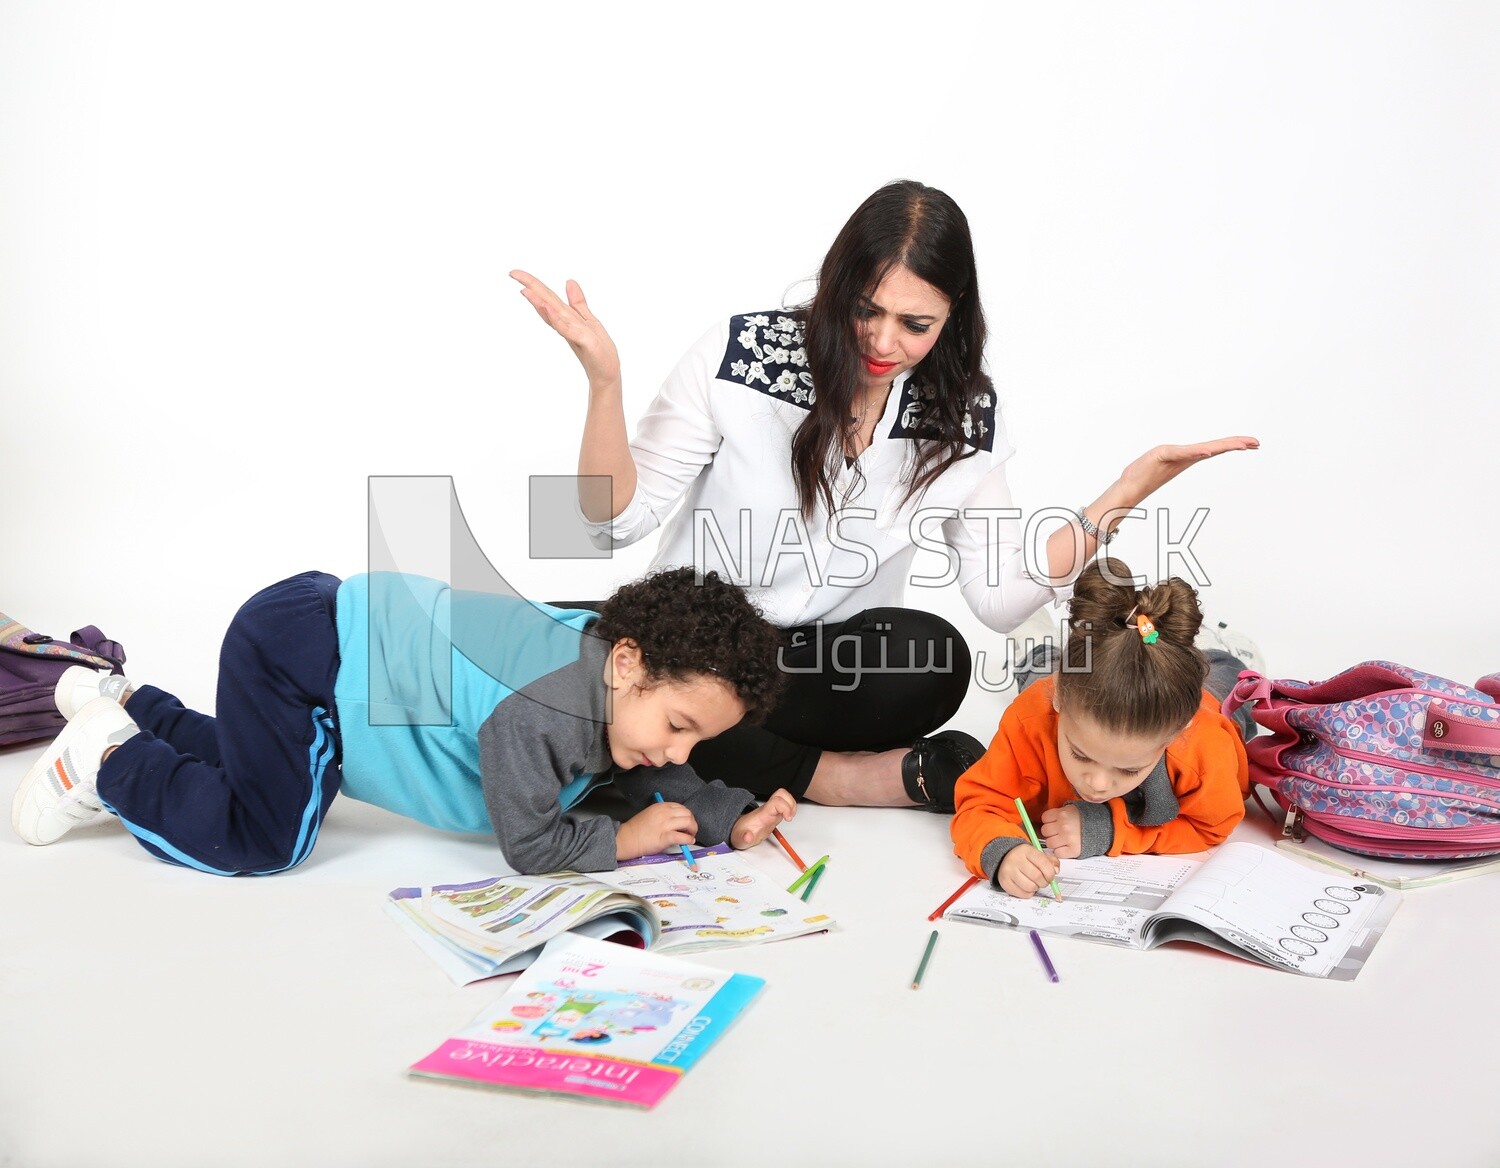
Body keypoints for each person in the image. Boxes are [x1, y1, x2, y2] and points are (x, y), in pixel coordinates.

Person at [511, 179, 1257, 814]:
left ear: (953, 316)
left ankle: (680, 748)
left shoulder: (960, 415)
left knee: (930, 661)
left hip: (805, 668)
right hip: (694, 642)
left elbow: (999, 595)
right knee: (554, 659)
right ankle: (830, 778)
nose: (882, 340)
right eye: (865, 309)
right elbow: (616, 522)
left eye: (915, 324)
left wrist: (1123, 493)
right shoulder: (740, 356)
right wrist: (604, 384)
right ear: (837, 286)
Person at [10, 567, 796, 875]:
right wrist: (620, 842)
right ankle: (109, 762)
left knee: (268, 771)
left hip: (315, 626)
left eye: (697, 740)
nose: (676, 749)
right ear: (628, 663)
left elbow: (662, 776)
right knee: (266, 837)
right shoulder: (548, 710)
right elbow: (530, 847)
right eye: (680, 723)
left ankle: (132, 707)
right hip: (307, 666)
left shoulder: (605, 669)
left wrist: (738, 813)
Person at [949, 558, 1257, 898]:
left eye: (1128, 769)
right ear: (1060, 702)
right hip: (1070, 686)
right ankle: (1036, 645)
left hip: (1207, 693)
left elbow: (1210, 826)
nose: (1096, 784)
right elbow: (980, 804)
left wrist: (1110, 830)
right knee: (1041, 678)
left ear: (1176, 734)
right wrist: (1001, 851)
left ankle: (1222, 647)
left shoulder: (1203, 744)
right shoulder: (1034, 716)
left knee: (1231, 680)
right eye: (1080, 754)